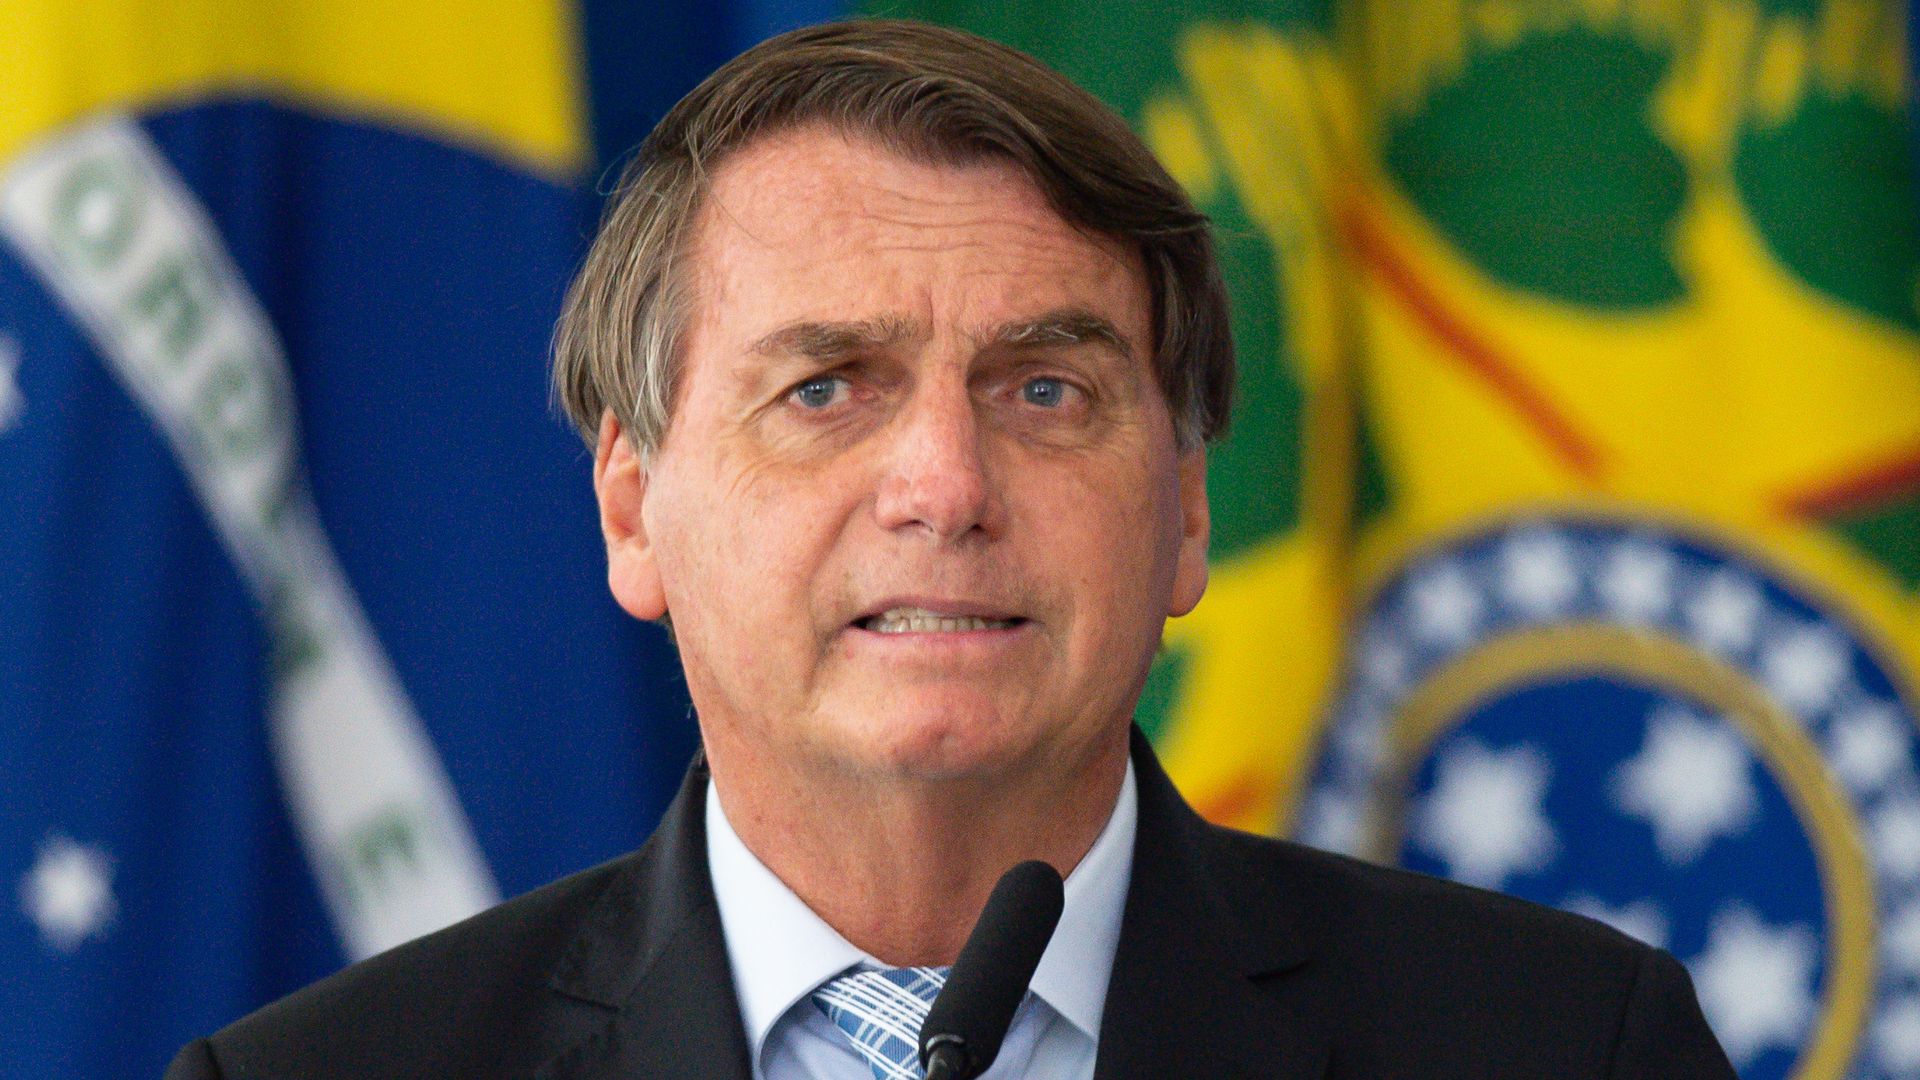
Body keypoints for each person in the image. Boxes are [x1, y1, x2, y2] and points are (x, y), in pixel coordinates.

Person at [166, 19, 1736, 1080]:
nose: (944, 483)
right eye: (825, 388)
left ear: (1186, 508)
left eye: (1045, 388)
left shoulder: (1564, 1045)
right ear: (634, 507)